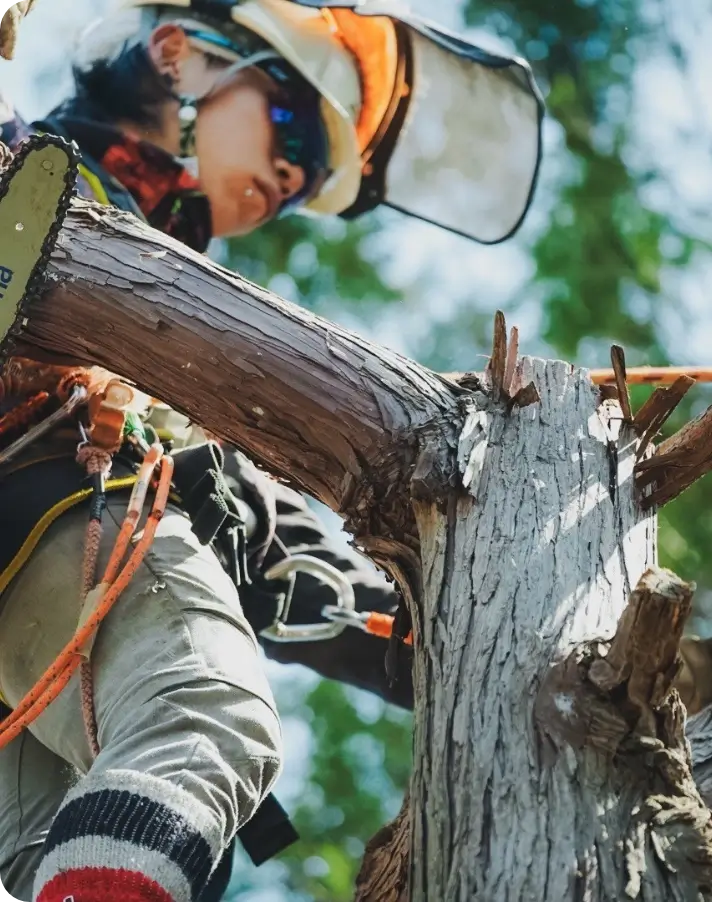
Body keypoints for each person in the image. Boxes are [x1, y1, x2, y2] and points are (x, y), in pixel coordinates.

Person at [0, 1, 544, 900]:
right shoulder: (48, 177)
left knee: (82, 847)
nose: (291, 175)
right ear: (175, 52)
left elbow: (274, 544)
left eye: (307, 182)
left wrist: (436, 630)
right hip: (54, 498)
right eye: (293, 120)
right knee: (202, 718)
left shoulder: (174, 289)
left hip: (39, 570)